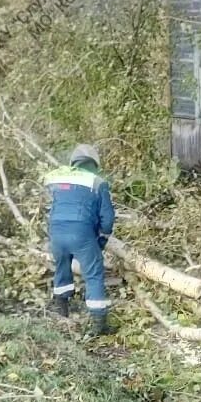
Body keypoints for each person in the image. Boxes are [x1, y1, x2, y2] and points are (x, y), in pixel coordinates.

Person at [42, 144, 116, 335]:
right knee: (93, 274)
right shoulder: (98, 182)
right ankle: (99, 324)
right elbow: (107, 219)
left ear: (73, 162)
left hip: (56, 231)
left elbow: (49, 205)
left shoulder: (56, 178)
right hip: (81, 233)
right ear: (95, 164)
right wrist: (103, 238)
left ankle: (62, 310)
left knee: (61, 268)